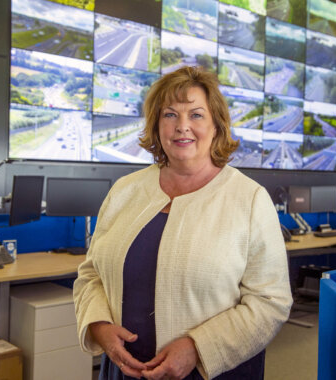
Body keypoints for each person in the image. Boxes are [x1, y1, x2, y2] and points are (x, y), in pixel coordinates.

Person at [73, 66, 292, 380]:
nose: (182, 127)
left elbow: (271, 302)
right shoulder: (125, 191)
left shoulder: (249, 199)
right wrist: (98, 326)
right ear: (156, 124)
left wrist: (198, 348)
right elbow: (91, 273)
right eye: (170, 115)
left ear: (217, 125)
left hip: (212, 373)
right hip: (123, 372)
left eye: (196, 115)